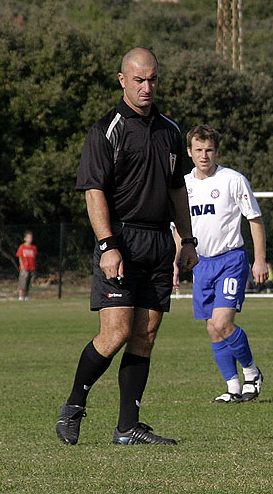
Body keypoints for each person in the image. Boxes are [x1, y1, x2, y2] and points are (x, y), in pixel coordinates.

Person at [56, 47, 198, 446]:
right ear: (123, 80)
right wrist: (107, 245)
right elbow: (93, 192)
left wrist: (186, 241)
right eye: (139, 80)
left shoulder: (170, 131)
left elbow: (177, 191)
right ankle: (73, 407)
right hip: (121, 239)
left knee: (146, 333)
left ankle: (127, 427)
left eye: (152, 79)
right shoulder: (107, 130)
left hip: (158, 243)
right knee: (116, 331)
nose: (147, 86)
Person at [174, 124, 267, 403]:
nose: (204, 155)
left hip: (231, 260)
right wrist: (175, 263)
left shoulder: (233, 180)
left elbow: (254, 219)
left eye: (209, 149)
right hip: (200, 263)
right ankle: (233, 387)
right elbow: (179, 229)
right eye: (199, 150)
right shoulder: (184, 186)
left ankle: (252, 372)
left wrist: (260, 260)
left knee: (222, 322)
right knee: (212, 328)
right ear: (189, 152)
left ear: (217, 151)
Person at [16, 231, 37, 301]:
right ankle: (21, 297)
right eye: (28, 237)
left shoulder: (34, 248)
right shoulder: (22, 247)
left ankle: (27, 296)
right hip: (25, 268)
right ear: (25, 238)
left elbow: (34, 258)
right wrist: (22, 267)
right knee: (23, 283)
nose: (30, 239)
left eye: (31, 237)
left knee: (29, 283)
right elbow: (20, 257)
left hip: (32, 268)